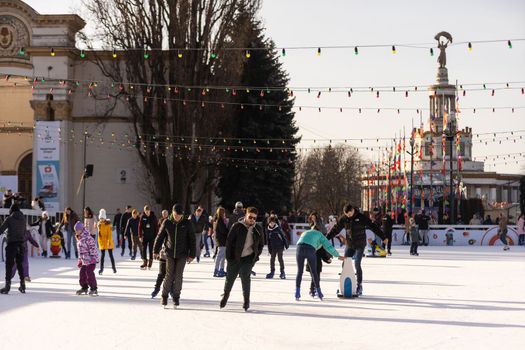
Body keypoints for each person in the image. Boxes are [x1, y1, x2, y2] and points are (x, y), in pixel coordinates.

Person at [327, 204, 387, 296]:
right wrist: (326, 238)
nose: (348, 216)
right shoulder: (344, 218)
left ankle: (359, 285)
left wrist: (383, 237)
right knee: (345, 263)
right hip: (350, 244)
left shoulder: (361, 217)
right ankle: (343, 283)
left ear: (353, 210)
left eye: (350, 214)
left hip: (360, 244)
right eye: (346, 214)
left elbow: (373, 226)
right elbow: (335, 229)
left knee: (357, 263)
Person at [220, 207, 264, 312]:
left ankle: (246, 301)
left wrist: (255, 257)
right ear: (245, 215)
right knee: (230, 279)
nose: (252, 220)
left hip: (248, 258)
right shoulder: (237, 226)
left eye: (254, 218)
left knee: (246, 278)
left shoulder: (258, 228)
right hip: (235, 258)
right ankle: (225, 296)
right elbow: (229, 242)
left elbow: (261, 244)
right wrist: (229, 258)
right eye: (250, 217)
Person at [153, 204, 196, 308]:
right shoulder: (167, 222)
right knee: (169, 275)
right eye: (176, 215)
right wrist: (155, 250)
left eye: (180, 215)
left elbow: (192, 239)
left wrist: (192, 254)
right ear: (172, 212)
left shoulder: (187, 223)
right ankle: (164, 296)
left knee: (178, 276)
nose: (178, 217)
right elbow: (159, 237)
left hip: (182, 254)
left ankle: (176, 297)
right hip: (170, 253)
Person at [295, 226, 344, 301]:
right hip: (310, 249)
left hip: (299, 248)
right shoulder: (320, 234)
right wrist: (337, 255)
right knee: (314, 271)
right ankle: (319, 292)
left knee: (299, 271)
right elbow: (328, 246)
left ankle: (297, 293)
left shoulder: (306, 232)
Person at [0, 204, 28, 294]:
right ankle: (22, 285)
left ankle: (7, 286)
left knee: (9, 265)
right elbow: (24, 231)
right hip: (21, 245)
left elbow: (1, 229)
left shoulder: (9, 219)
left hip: (12, 244)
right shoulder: (23, 219)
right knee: (20, 265)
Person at [306, 212, 331, 297]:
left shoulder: (319, 225)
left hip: (317, 255)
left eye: (314, 217)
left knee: (316, 274)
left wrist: (326, 258)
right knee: (314, 275)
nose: (313, 219)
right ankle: (313, 289)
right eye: (312, 217)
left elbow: (323, 250)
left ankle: (314, 289)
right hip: (311, 256)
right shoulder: (312, 225)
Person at [75, 222, 99, 296]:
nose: (76, 231)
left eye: (78, 230)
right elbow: (80, 253)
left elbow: (93, 248)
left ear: (82, 229)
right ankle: (84, 287)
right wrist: (79, 261)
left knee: (89, 273)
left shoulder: (88, 238)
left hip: (91, 260)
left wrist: (92, 258)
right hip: (84, 261)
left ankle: (94, 288)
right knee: (82, 273)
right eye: (76, 230)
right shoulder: (79, 240)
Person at [151, 210, 170, 298]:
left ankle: (171, 290)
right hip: (163, 252)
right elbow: (158, 238)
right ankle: (157, 288)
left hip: (171, 253)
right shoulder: (161, 222)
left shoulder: (171, 224)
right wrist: (156, 251)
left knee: (171, 274)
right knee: (161, 273)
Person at [266, 215, 288, 279]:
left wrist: (286, 245)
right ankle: (272, 271)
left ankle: (282, 271)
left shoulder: (278, 229)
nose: (272, 224)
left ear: (275, 222)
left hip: (280, 246)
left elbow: (283, 237)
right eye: (270, 222)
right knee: (272, 259)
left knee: (280, 258)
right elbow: (268, 240)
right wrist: (269, 248)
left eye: (273, 222)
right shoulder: (268, 230)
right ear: (269, 223)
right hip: (273, 247)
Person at [97, 209, 116, 275]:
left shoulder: (108, 225)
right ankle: (101, 269)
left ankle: (113, 267)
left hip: (108, 242)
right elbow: (99, 235)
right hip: (102, 242)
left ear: (104, 218)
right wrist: (100, 243)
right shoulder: (99, 224)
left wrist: (109, 242)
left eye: (102, 218)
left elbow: (109, 234)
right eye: (100, 218)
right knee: (102, 256)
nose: (101, 219)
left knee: (111, 255)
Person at [138, 205, 158, 270]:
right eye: (145, 211)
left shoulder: (153, 217)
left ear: (150, 211)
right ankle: (145, 262)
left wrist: (156, 236)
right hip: (144, 236)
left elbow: (156, 227)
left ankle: (150, 262)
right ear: (144, 211)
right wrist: (140, 236)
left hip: (152, 236)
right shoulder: (142, 217)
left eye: (148, 211)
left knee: (151, 249)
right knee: (144, 249)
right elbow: (140, 227)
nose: (147, 212)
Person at [213, 207, 228, 278]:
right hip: (221, 240)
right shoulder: (220, 221)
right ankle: (216, 270)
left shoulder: (221, 220)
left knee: (223, 256)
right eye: (224, 212)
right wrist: (227, 230)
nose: (224, 214)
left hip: (222, 240)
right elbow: (223, 231)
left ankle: (221, 269)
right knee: (219, 256)